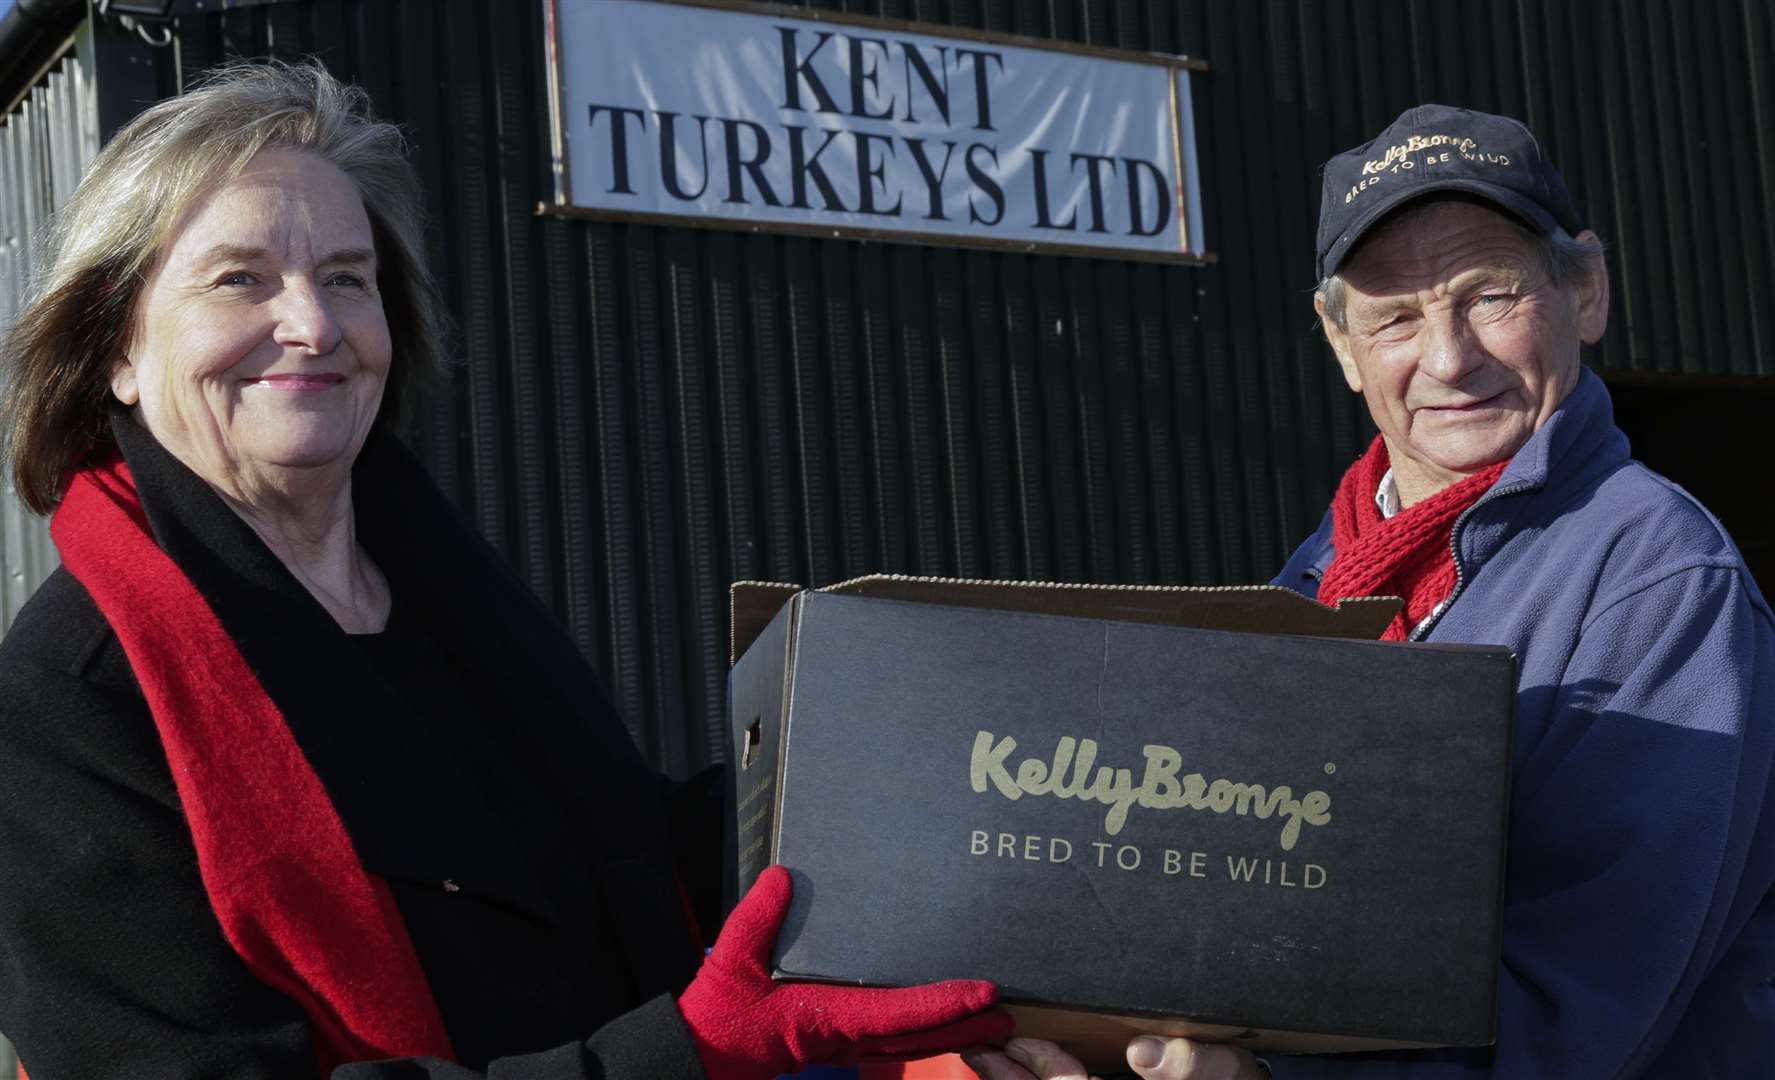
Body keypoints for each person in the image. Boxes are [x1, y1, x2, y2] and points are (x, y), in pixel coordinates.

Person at [0, 61, 1011, 1079]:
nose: (312, 324)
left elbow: (613, 853)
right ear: (115, 348)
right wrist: (687, 1053)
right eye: (239, 278)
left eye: (347, 277)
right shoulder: (62, 704)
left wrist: (924, 813)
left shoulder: (442, 590)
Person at [966, 106, 1775, 1080]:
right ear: (1340, 344)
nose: (1445, 357)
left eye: (1488, 296)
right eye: (1393, 315)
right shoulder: (1317, 579)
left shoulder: (1657, 582)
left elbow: (1580, 1012)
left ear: (1585, 291)